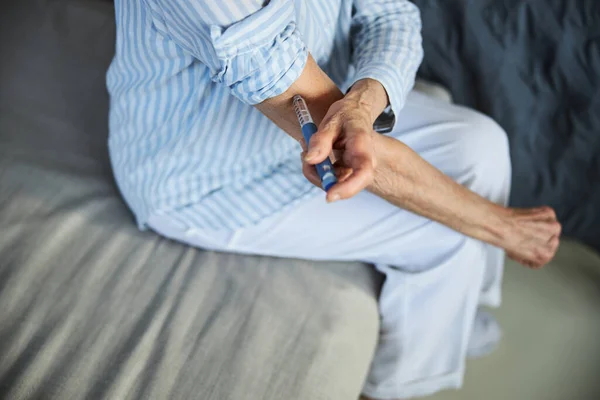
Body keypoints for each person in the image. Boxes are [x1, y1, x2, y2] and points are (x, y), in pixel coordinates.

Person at [107, 0, 561, 398]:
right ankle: (387, 388)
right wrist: (503, 228)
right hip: (208, 177)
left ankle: (454, 315)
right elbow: (332, 132)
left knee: (485, 143)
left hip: (324, 103)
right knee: (446, 235)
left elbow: (391, 14)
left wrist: (362, 104)